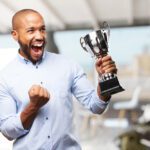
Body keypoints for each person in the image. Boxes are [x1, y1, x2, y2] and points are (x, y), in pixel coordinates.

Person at [0, 9, 117, 150]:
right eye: (31, 31)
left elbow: (96, 106)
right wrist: (33, 106)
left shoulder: (68, 65)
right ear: (15, 35)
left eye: (42, 30)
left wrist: (104, 79)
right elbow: (8, 131)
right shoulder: (5, 77)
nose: (39, 36)